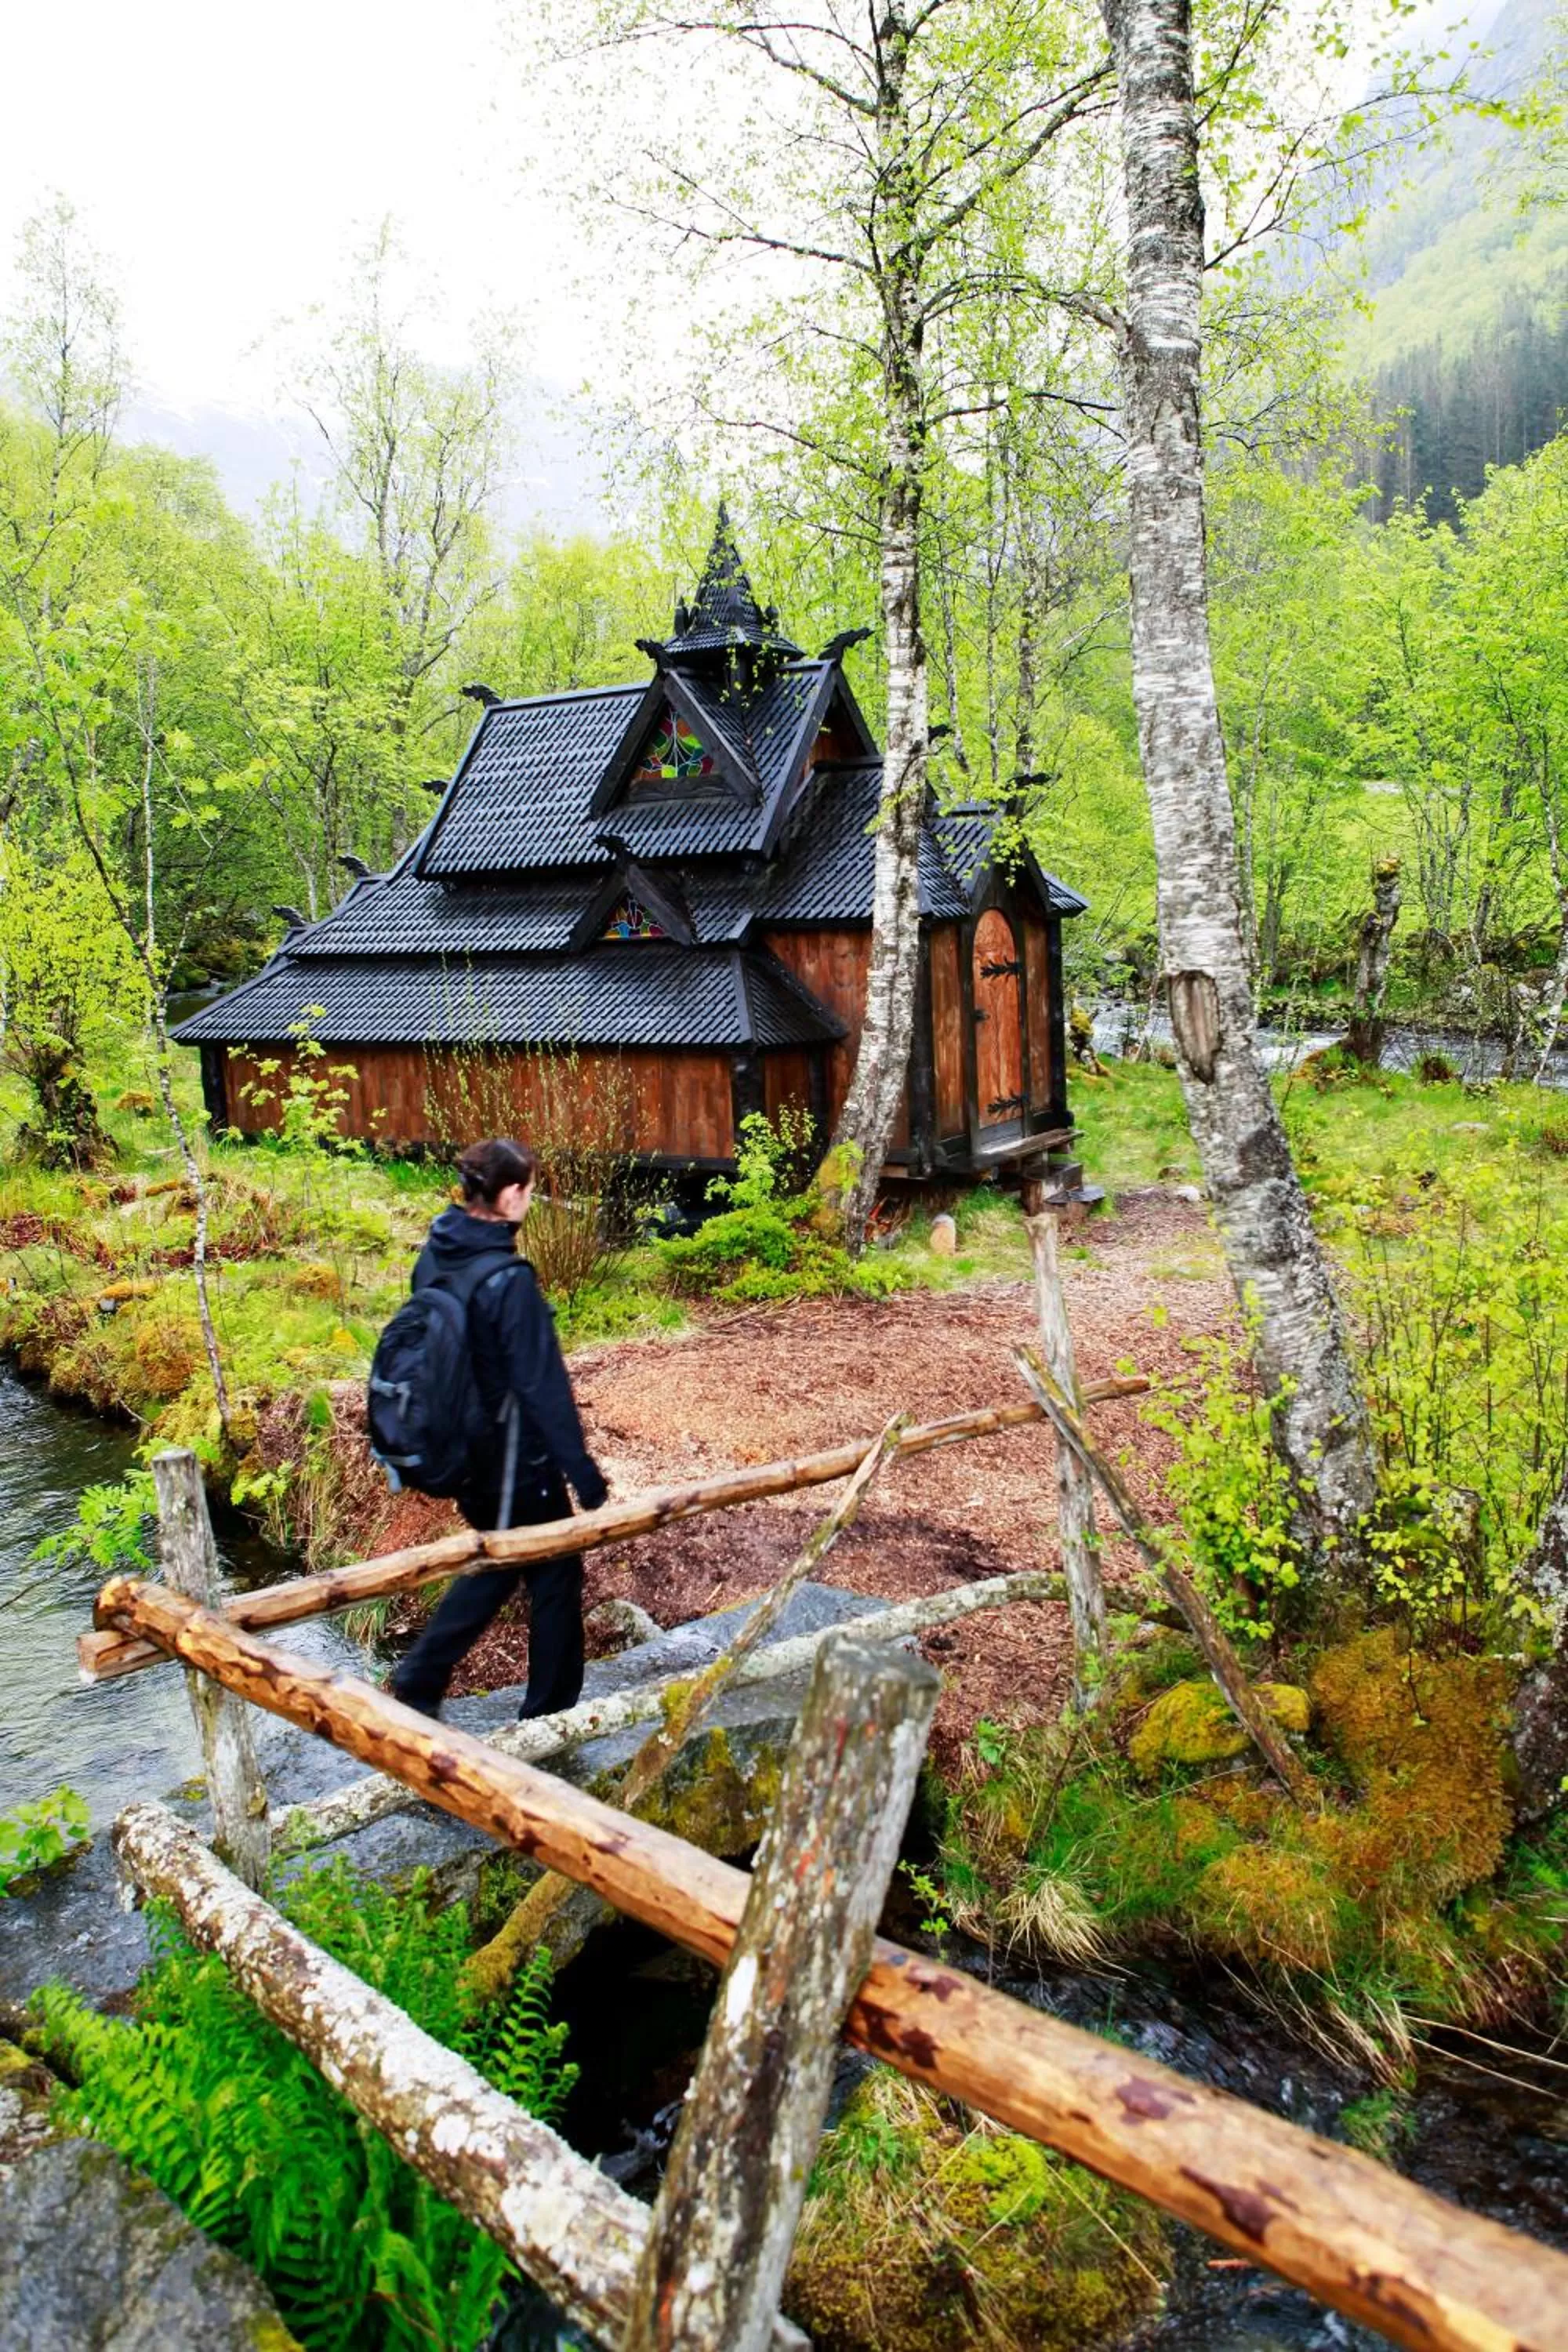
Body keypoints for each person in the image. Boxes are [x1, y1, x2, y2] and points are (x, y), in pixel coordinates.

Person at [387, 1136, 608, 1722]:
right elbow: (543, 1387)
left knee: (501, 1558)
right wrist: (584, 1475)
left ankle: (426, 1675)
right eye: (530, 1191)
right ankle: (548, 1713)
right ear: (509, 1194)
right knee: (550, 1570)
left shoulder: (434, 1254)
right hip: (516, 1462)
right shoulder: (508, 1279)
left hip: (460, 1454)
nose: (531, 1201)